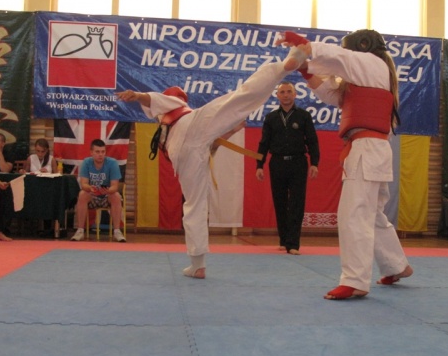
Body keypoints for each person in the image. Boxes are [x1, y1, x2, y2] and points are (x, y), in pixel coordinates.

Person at [116, 46, 307, 279]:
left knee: (194, 205)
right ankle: (281, 68)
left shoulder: (165, 120)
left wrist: (232, 130)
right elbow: (152, 99)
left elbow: (209, 145)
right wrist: (137, 95)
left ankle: (198, 264)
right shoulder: (176, 103)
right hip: (191, 130)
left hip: (183, 153)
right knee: (240, 98)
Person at [279, 29, 412, 300]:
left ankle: (355, 280)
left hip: (367, 150)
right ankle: (396, 265)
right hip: (371, 149)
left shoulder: (371, 64)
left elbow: (340, 58)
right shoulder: (367, 76)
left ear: (362, 46)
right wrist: (305, 71)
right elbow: (333, 95)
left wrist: (306, 46)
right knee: (372, 214)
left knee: (354, 215)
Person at [256, 81, 319, 255]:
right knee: (280, 202)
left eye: (289, 91)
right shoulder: (271, 117)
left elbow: (312, 141)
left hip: (298, 163)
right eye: (282, 92)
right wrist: (259, 165)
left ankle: (293, 244)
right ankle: (284, 239)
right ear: (277, 95)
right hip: (277, 163)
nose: (285, 95)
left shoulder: (304, 116)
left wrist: (315, 163)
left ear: (295, 94)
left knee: (297, 203)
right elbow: (264, 143)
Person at [71, 139, 126, 243]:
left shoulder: (112, 163)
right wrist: (90, 188)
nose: (100, 155)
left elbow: (115, 186)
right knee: (82, 194)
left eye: (103, 152)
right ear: (91, 152)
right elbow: (83, 184)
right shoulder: (86, 162)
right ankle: (80, 230)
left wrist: (108, 190)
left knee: (116, 196)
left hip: (106, 196)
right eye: (97, 152)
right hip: (92, 195)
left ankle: (117, 231)